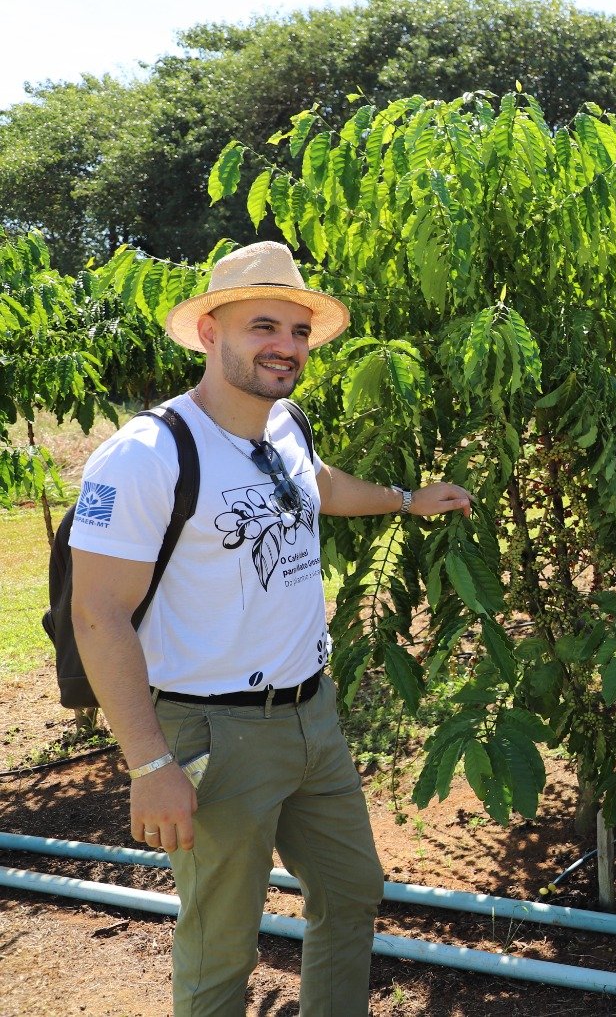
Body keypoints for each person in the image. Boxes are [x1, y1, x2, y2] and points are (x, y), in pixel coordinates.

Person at [69, 241, 474, 1017]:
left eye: (298, 331)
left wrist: (403, 498)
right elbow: (98, 613)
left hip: (310, 714)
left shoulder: (285, 421)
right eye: (264, 326)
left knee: (354, 891)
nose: (286, 347)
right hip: (212, 730)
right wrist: (150, 764)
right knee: (222, 942)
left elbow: (315, 486)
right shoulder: (148, 454)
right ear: (210, 332)